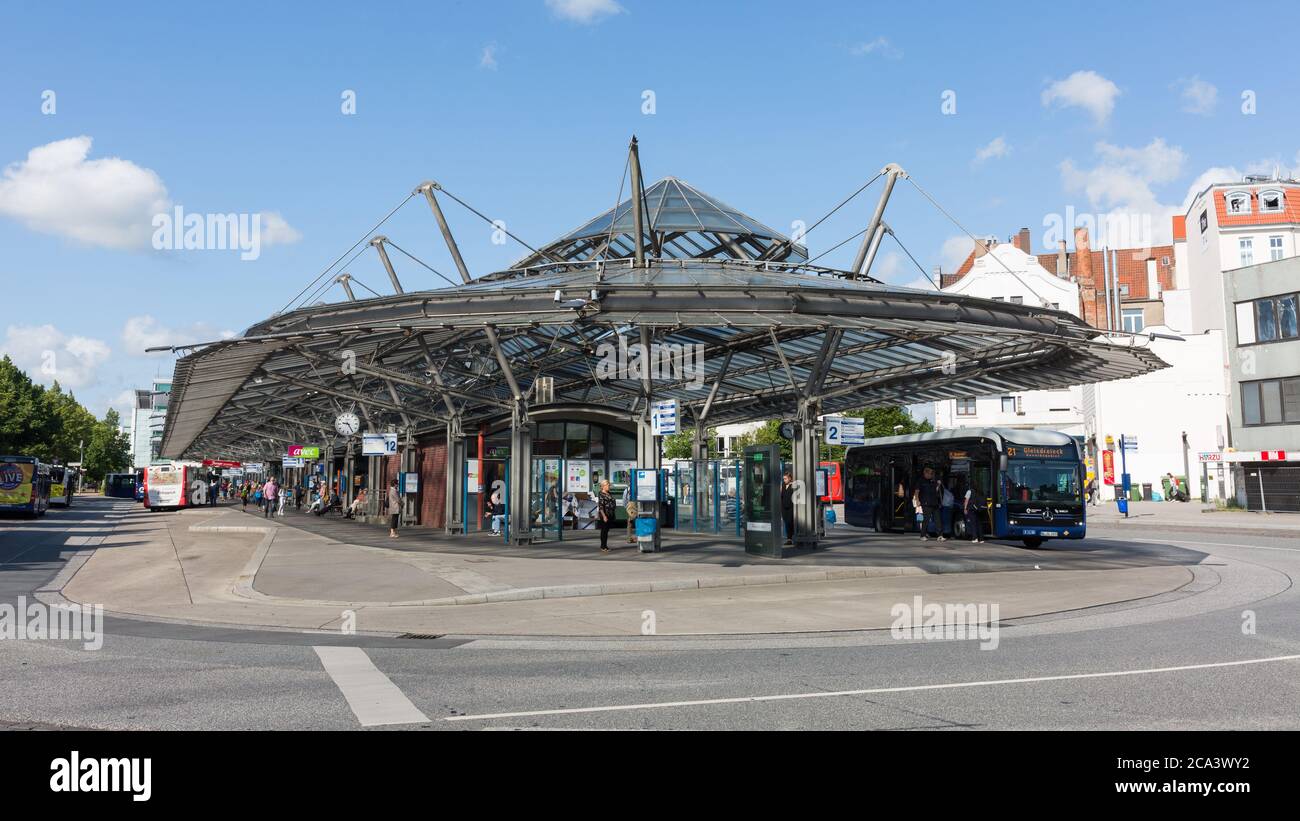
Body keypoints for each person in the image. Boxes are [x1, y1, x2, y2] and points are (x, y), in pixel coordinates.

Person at [916, 466, 945, 542]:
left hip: (934, 502)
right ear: (925, 473)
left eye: (932, 474)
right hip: (925, 503)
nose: (931, 475)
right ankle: (922, 535)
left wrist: (938, 485)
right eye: (930, 473)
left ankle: (940, 535)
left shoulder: (933, 481)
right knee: (926, 519)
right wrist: (917, 500)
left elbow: (936, 490)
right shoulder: (921, 481)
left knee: (938, 519)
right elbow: (917, 491)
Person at [595, 479, 616, 552]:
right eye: (608, 485)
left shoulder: (609, 493)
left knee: (606, 531)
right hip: (605, 515)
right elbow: (600, 506)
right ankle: (603, 546)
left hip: (610, 514)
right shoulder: (601, 494)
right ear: (603, 486)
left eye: (609, 485)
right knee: (604, 531)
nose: (609, 486)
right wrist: (604, 516)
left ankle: (605, 545)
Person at [963, 479, 985, 544]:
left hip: (972, 509)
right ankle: (981, 539)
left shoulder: (969, 491)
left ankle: (975, 538)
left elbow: (966, 500)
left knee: (973, 524)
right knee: (979, 524)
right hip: (980, 509)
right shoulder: (981, 491)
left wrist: (965, 508)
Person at [780, 472, 795, 545]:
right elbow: (781, 495)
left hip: (791, 507)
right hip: (784, 507)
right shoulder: (783, 485)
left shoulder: (794, 486)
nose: (784, 480)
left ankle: (791, 538)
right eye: (783, 479)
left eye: (785, 478)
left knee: (791, 522)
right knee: (786, 522)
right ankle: (789, 538)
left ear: (790, 478)